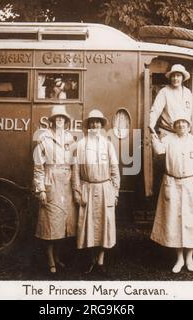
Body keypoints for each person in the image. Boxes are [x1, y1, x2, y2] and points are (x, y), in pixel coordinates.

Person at [151, 112, 193, 273]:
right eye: (178, 124)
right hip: (172, 184)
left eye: (184, 123)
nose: (181, 126)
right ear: (174, 126)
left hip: (191, 185)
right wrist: (152, 136)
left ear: (189, 126)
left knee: (192, 222)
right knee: (175, 222)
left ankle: (190, 258)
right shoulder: (169, 140)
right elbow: (158, 150)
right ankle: (179, 258)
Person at [73, 109, 120, 274]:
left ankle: (100, 262)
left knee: (103, 226)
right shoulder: (81, 145)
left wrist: (115, 191)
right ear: (88, 125)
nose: (95, 125)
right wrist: (77, 192)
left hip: (105, 189)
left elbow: (114, 169)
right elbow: (76, 171)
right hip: (87, 188)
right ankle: (91, 260)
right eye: (92, 122)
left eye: (98, 122)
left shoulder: (107, 144)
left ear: (101, 125)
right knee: (88, 226)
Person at [33, 105, 77, 274]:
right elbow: (38, 166)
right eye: (57, 118)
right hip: (51, 182)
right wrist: (41, 189)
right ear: (52, 121)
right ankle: (50, 260)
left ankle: (58, 257)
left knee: (63, 225)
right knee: (50, 223)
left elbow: (75, 164)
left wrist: (76, 186)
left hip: (66, 185)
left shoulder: (70, 139)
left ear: (66, 121)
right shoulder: (44, 138)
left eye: (62, 118)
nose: (60, 121)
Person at [149, 64, 193, 140]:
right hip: (167, 132)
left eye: (178, 75)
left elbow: (189, 113)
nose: (175, 78)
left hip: (183, 133)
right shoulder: (164, 91)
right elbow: (156, 110)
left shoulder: (187, 92)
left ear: (183, 78)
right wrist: (151, 126)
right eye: (173, 76)